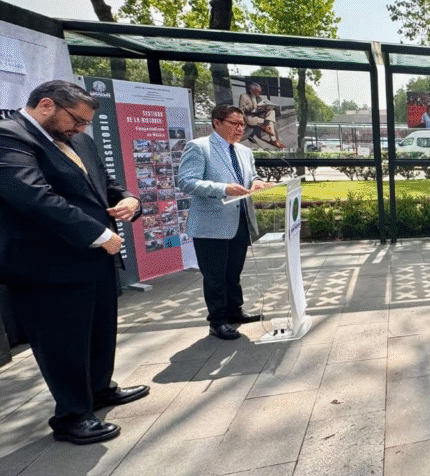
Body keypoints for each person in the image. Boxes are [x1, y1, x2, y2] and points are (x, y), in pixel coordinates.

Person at [0, 80, 148, 444]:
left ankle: (99, 390)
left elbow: (104, 184)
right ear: (46, 105)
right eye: (76, 120)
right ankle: (72, 416)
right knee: (61, 342)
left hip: (94, 257)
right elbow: (34, 197)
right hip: (46, 265)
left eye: (85, 123)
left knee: (100, 330)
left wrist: (129, 199)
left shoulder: (78, 140)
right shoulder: (10, 136)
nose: (81, 129)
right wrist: (97, 233)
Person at [177, 104, 274, 341]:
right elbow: (186, 181)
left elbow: (251, 176)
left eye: (242, 124)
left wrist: (257, 182)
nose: (240, 128)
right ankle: (217, 321)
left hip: (239, 220)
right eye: (234, 123)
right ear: (217, 123)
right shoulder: (199, 147)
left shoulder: (244, 151)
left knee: (233, 272)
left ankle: (235, 311)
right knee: (215, 276)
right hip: (211, 224)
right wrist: (223, 188)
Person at [239, 81, 285, 149]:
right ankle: (274, 141)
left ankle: (267, 127)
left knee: (272, 111)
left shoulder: (259, 98)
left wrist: (265, 108)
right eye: (257, 91)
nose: (259, 93)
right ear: (252, 90)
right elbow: (241, 109)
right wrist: (252, 106)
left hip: (259, 114)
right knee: (271, 122)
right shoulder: (244, 96)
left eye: (260, 91)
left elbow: (261, 107)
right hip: (251, 117)